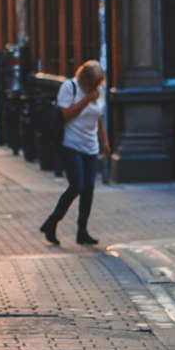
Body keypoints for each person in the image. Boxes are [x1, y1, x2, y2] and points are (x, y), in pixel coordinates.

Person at [40, 60, 111, 248]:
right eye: (93, 84)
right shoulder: (69, 87)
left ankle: (82, 232)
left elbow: (98, 117)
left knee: (88, 189)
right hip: (70, 144)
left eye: (98, 84)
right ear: (84, 79)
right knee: (77, 185)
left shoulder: (98, 91)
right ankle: (52, 222)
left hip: (91, 145)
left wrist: (104, 141)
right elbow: (66, 115)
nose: (96, 88)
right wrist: (87, 99)